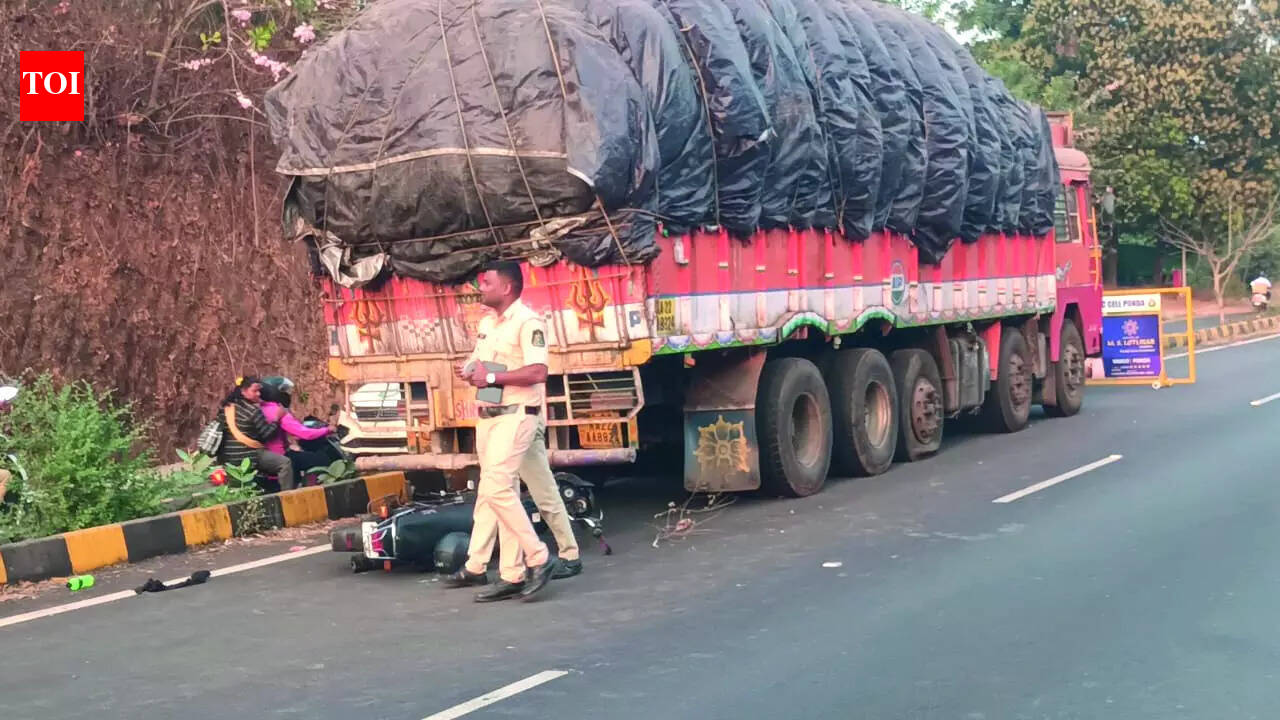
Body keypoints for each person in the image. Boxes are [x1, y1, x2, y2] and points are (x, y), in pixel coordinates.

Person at [442, 260, 574, 602]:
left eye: (486, 283)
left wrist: (490, 378)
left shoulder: (528, 322)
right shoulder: (488, 323)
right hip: (489, 415)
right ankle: (510, 573)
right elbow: (481, 361)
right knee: (497, 491)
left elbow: (537, 372)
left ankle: (540, 557)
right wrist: (470, 370)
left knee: (498, 487)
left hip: (517, 415)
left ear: (507, 288)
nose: (480, 288)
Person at [216, 376, 294, 491]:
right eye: (255, 391)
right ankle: (288, 498)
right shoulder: (253, 410)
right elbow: (266, 434)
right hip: (248, 455)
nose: (258, 394)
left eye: (259, 391)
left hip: (226, 458)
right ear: (243, 391)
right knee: (285, 463)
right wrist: (277, 418)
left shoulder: (226, 408)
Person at [260, 377, 339, 487]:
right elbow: (306, 434)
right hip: (282, 456)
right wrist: (327, 430)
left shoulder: (260, 409)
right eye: (284, 391)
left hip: (267, 456)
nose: (287, 395)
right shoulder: (279, 411)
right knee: (323, 459)